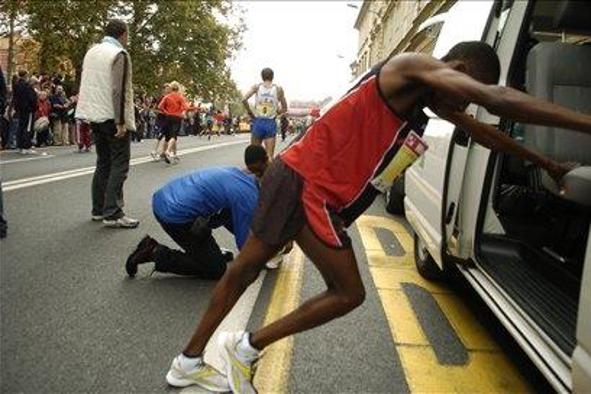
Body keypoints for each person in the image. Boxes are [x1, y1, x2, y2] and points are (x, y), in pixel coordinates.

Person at [165, 41, 591, 392]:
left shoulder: (424, 96)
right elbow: (497, 100)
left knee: (244, 269)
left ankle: (188, 361)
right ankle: (246, 346)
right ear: (457, 69)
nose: (463, 102)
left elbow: (484, 132)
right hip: (307, 186)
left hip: (297, 177)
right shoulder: (412, 67)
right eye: (464, 91)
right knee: (347, 292)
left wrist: (545, 163)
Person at [125, 145, 275, 280]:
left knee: (218, 224)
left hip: (163, 199)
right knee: (216, 269)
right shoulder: (248, 195)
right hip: (175, 216)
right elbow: (244, 243)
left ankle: (208, 253)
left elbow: (229, 219)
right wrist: (263, 257)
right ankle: (155, 252)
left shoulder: (235, 173)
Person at [76, 19, 139, 228]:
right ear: (123, 34)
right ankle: (113, 213)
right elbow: (117, 90)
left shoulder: (92, 51)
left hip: (94, 114)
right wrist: (121, 121)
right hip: (112, 116)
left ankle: (98, 209)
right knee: (120, 164)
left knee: (103, 162)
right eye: (127, 34)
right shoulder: (118, 54)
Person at [242, 67, 287, 159]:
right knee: (269, 156)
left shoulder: (257, 87)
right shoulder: (279, 89)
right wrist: (277, 111)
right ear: (272, 77)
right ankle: (268, 172)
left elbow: (243, 99)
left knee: (254, 157)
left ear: (262, 77)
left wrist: (250, 113)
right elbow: (285, 108)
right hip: (270, 123)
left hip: (258, 122)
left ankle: (255, 173)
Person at [158, 81, 188, 164]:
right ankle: (168, 151)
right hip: (177, 118)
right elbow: (185, 107)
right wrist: (183, 113)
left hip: (168, 118)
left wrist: (166, 112)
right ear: (178, 88)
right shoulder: (180, 97)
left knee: (168, 137)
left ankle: (173, 154)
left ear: (171, 88)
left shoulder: (167, 97)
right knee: (173, 136)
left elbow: (159, 107)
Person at [12, 69, 38, 154]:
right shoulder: (27, 86)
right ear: (25, 75)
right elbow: (32, 98)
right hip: (28, 110)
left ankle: (20, 146)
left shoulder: (16, 85)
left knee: (20, 127)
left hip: (20, 109)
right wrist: (34, 107)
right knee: (28, 128)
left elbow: (15, 98)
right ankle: (26, 146)